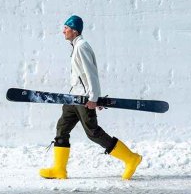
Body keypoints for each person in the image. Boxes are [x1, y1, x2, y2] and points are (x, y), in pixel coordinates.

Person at [39, 14, 143, 180]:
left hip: (83, 99)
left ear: (74, 30)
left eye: (66, 28)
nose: (63, 31)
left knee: (93, 132)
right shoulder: (75, 46)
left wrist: (93, 98)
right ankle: (59, 169)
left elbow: (91, 73)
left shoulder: (82, 47)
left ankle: (131, 158)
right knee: (62, 129)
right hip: (72, 97)